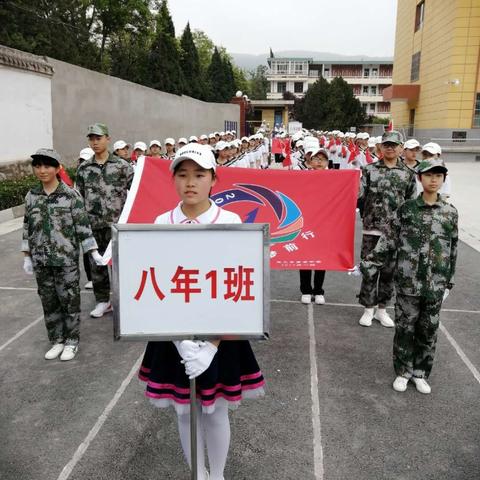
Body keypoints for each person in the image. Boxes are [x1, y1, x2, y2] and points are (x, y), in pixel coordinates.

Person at [138, 143, 265, 480]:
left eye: (199, 174)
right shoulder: (161, 222)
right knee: (183, 412)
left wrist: (210, 345)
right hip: (173, 334)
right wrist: (181, 341)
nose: (190, 182)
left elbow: (239, 287)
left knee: (215, 410)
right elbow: (156, 285)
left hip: (221, 334)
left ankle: (218, 475)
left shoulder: (231, 221)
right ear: (173, 180)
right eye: (182, 175)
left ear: (213, 179)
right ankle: (198, 473)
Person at [361, 159, 458, 394]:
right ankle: (403, 371)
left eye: (438, 175)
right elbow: (388, 240)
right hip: (407, 281)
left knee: (428, 330)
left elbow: (453, 248)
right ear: (419, 178)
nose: (433, 179)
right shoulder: (406, 210)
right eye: (428, 175)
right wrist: (370, 263)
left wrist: (449, 282)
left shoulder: (450, 213)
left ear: (443, 179)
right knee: (405, 327)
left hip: (435, 283)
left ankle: (421, 372)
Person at [21, 149, 102, 361]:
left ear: (58, 168)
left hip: (65, 260)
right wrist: (27, 255)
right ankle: (57, 339)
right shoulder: (32, 196)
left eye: (47, 166)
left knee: (69, 301)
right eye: (37, 166)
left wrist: (92, 251)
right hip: (41, 260)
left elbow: (82, 226)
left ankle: (72, 341)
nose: (42, 170)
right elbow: (27, 226)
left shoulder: (71, 196)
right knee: (49, 301)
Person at [358, 130, 416, 328]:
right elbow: (360, 198)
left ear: (401, 148)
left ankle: (382, 310)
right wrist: (366, 216)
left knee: (389, 273)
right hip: (371, 230)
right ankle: (368, 309)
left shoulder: (408, 175)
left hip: (395, 233)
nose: (390, 148)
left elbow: (410, 204)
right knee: (369, 270)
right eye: (386, 144)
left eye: (394, 145)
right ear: (380, 147)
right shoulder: (368, 170)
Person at [76, 123, 134, 317]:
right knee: (97, 266)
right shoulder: (84, 168)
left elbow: (136, 192)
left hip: (117, 225)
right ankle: (103, 301)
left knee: (121, 265)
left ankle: (127, 300)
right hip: (94, 225)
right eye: (91, 139)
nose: (95, 142)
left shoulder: (122, 166)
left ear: (107, 139)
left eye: (98, 138)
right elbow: (80, 198)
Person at [299, 148, 329, 305]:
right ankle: (305, 290)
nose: (319, 161)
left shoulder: (333, 178)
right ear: (310, 161)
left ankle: (318, 290)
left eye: (322, 159)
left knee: (320, 257)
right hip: (306, 221)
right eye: (316, 158)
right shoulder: (302, 177)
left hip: (324, 222)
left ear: (327, 163)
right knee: (305, 254)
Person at [78, 147, 95, 289]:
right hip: (86, 220)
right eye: (82, 160)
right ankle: (91, 278)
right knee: (87, 251)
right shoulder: (80, 174)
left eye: (87, 159)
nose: (84, 162)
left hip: (106, 222)